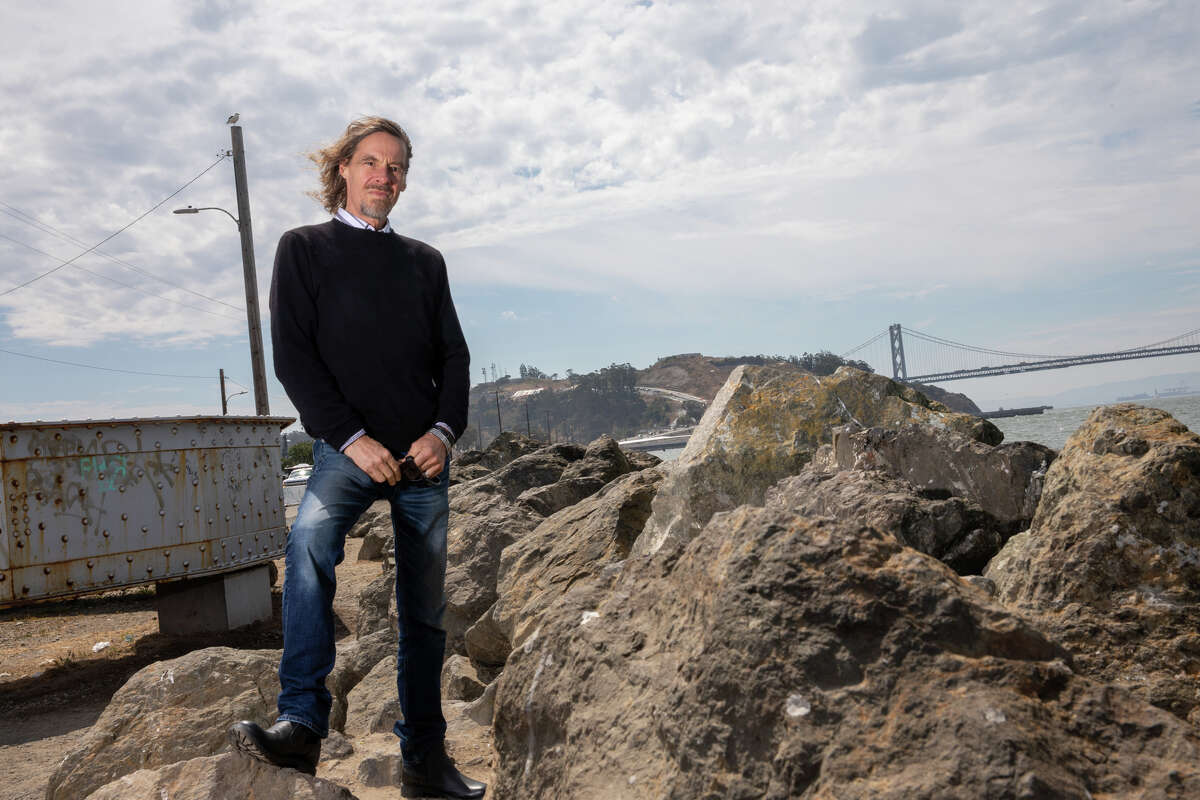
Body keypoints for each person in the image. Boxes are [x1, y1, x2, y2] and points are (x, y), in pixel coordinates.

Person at [229, 116, 482, 799]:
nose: (384, 176)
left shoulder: (426, 262)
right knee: (309, 543)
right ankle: (302, 726)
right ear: (343, 168)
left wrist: (443, 432)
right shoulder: (303, 249)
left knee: (424, 613)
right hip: (346, 450)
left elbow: (454, 358)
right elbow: (295, 359)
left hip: (422, 458)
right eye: (371, 162)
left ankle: (425, 764)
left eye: (396, 167)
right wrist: (349, 438)